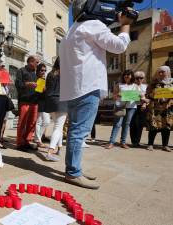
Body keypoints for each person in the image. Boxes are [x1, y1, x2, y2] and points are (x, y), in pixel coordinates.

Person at [59, 0, 132, 189]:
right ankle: (73, 172)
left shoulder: (73, 28)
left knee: (76, 130)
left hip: (74, 87)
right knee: (79, 131)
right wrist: (125, 25)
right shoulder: (94, 25)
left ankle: (75, 169)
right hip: (87, 86)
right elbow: (118, 46)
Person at [105, 70, 139, 149]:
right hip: (120, 107)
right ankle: (111, 142)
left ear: (132, 76)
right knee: (117, 124)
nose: (127, 76)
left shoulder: (135, 85)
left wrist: (139, 97)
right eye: (125, 74)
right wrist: (118, 95)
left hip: (131, 107)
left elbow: (138, 97)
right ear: (123, 76)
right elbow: (114, 96)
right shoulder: (119, 85)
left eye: (129, 74)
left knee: (126, 125)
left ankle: (123, 142)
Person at [43, 57, 67, 161]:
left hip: (50, 101)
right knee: (58, 127)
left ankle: (59, 148)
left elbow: (46, 89)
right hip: (61, 101)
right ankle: (50, 151)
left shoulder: (49, 74)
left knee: (58, 126)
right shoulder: (65, 74)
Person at [146, 66, 172, 152]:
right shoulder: (153, 83)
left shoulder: (172, 83)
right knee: (154, 126)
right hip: (155, 108)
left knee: (166, 127)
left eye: (163, 72)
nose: (160, 74)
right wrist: (153, 95)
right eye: (159, 72)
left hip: (168, 108)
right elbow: (147, 94)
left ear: (167, 72)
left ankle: (165, 145)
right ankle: (150, 144)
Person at [15, 55, 39, 151]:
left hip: (34, 102)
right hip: (24, 101)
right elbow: (17, 84)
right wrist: (27, 84)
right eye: (36, 62)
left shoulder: (35, 73)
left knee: (32, 123)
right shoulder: (21, 71)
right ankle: (20, 143)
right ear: (30, 62)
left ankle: (27, 141)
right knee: (22, 123)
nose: (37, 64)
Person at [129, 71, 148, 147]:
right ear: (134, 78)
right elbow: (129, 96)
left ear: (143, 79)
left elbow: (148, 97)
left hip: (142, 107)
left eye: (141, 78)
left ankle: (137, 141)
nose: (139, 79)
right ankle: (133, 141)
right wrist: (142, 99)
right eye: (137, 78)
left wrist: (144, 103)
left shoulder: (146, 86)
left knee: (140, 125)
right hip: (133, 106)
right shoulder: (131, 86)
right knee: (133, 124)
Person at [34, 63, 51, 149]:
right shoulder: (36, 79)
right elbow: (36, 92)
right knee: (39, 121)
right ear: (38, 70)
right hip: (38, 101)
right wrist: (42, 89)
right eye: (42, 70)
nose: (43, 72)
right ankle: (38, 140)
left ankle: (38, 139)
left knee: (47, 121)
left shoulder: (44, 79)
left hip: (45, 102)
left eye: (45, 70)